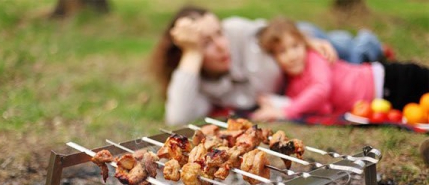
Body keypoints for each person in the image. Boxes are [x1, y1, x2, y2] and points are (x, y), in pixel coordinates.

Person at [151, 6, 385, 126]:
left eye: (219, 33)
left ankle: (367, 39)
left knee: (354, 53)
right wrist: (193, 52)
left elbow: (278, 32)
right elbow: (177, 118)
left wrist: (306, 42)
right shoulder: (198, 83)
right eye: (206, 43)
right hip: (297, 82)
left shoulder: (237, 30)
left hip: (300, 49)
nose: (222, 46)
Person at [251, 16, 429, 121]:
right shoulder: (294, 86)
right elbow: (325, 108)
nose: (292, 55)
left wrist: (285, 111)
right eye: (282, 51)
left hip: (387, 78)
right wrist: (274, 103)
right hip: (384, 100)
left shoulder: (315, 58)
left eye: (295, 46)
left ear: (304, 44)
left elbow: (321, 90)